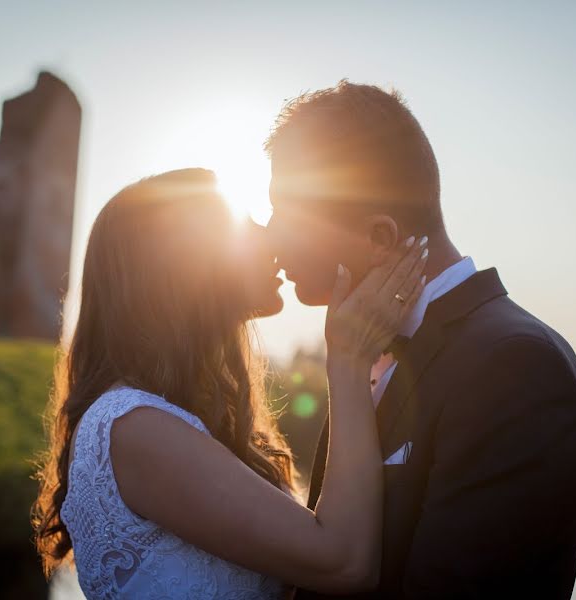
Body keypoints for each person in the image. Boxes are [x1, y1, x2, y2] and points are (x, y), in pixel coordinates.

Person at [265, 81, 576, 599]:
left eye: (285, 214)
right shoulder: (361, 350)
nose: (271, 236)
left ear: (379, 237)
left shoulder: (515, 368)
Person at [32, 167, 430, 598]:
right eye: (246, 224)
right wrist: (348, 358)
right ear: (186, 263)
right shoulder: (132, 428)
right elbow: (345, 561)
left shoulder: (176, 417)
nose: (272, 238)